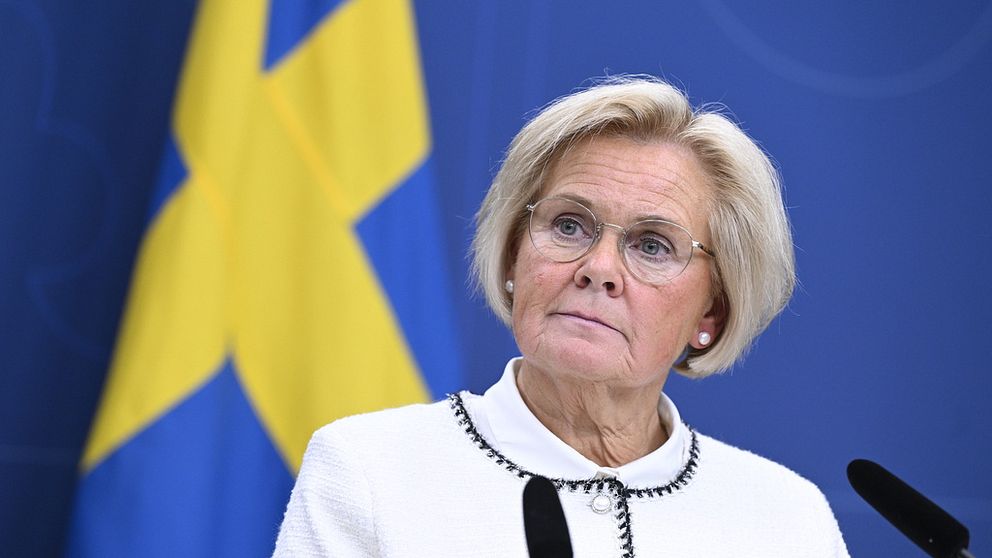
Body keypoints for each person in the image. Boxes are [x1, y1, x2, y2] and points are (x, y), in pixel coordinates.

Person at [272, 76, 849, 557]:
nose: (599, 268)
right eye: (569, 225)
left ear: (712, 311)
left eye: (652, 245)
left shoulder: (786, 519)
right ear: (513, 256)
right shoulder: (369, 471)